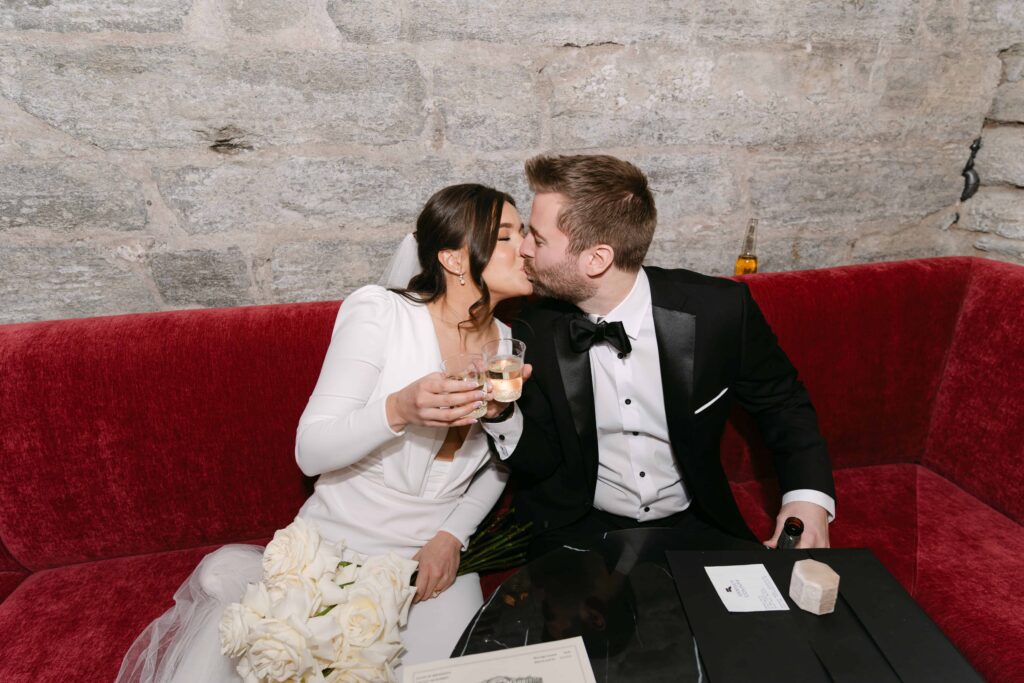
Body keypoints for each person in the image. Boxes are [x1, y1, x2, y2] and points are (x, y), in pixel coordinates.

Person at [116, 183, 532, 682]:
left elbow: (498, 462)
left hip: (432, 563)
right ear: (455, 259)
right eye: (507, 236)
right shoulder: (380, 313)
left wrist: (451, 535)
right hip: (342, 543)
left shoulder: (506, 345)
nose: (527, 247)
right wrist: (397, 408)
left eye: (525, 233)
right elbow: (310, 451)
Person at [481, 154, 835, 559]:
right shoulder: (534, 329)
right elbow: (539, 458)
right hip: (578, 528)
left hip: (693, 522)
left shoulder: (720, 312)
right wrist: (501, 415)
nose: (523, 249)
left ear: (596, 259)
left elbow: (783, 404)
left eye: (538, 240)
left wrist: (808, 498)